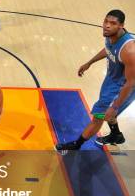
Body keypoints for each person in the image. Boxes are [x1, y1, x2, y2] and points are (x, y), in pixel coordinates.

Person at [56, 10, 135, 150]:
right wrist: (90, 62)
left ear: (122, 26)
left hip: (123, 87)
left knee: (99, 117)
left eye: (113, 23)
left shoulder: (129, 51)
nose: (107, 26)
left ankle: (77, 144)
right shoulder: (111, 36)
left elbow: (130, 83)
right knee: (108, 112)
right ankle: (116, 135)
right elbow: (109, 50)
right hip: (112, 80)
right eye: (106, 21)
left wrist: (115, 106)